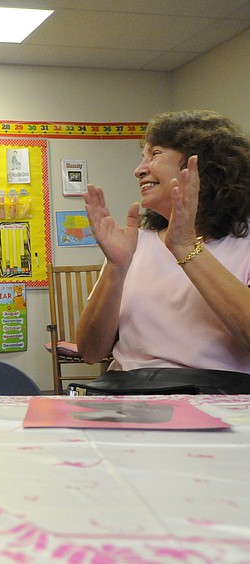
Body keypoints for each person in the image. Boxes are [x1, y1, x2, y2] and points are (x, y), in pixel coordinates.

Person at [76, 110, 250, 393]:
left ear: (199, 165)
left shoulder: (244, 242)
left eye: (155, 154)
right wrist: (116, 268)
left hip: (221, 399)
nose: (139, 169)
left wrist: (185, 247)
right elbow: (90, 351)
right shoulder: (134, 244)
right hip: (129, 395)